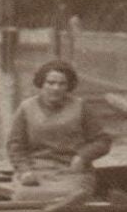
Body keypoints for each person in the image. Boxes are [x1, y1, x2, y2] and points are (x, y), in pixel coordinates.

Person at [6, 59, 111, 202]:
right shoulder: (26, 108)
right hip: (36, 170)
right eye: (51, 83)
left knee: (73, 196)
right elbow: (15, 146)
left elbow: (102, 141)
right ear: (41, 84)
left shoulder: (81, 107)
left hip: (73, 171)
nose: (56, 88)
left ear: (68, 86)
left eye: (62, 84)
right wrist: (24, 171)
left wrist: (82, 157)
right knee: (24, 196)